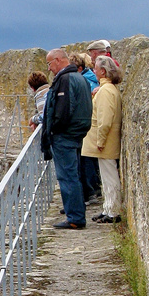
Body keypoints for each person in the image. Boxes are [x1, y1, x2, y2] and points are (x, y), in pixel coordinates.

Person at [41, 47, 93, 229]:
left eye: (49, 63)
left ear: (58, 60)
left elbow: (63, 110)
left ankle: (75, 218)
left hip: (65, 136)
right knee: (74, 174)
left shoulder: (65, 79)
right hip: (77, 133)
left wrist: (53, 130)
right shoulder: (81, 78)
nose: (49, 68)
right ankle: (75, 214)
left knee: (67, 176)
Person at [82, 56, 123, 224]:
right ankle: (108, 208)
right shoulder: (106, 89)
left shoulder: (106, 91)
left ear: (103, 71)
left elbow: (105, 119)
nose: (93, 71)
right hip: (106, 142)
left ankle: (113, 211)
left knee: (109, 176)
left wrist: (100, 140)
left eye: (96, 69)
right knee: (106, 177)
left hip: (106, 143)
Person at [70, 52, 102, 204]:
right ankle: (91, 191)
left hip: (87, 126)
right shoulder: (89, 79)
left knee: (87, 160)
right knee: (86, 160)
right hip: (88, 125)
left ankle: (91, 191)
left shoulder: (86, 81)